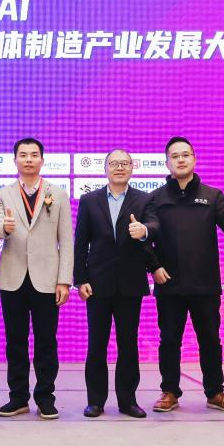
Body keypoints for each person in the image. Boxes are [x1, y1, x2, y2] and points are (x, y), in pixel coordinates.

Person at [142, 136, 224, 415]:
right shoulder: (155, 198)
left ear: (194, 159)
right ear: (167, 163)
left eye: (185, 155)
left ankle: (215, 392)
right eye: (175, 156)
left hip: (205, 284)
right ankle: (169, 391)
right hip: (169, 283)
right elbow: (144, 238)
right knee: (169, 340)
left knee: (210, 340)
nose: (181, 160)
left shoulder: (212, 195)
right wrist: (154, 267)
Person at [0, 137, 72, 419]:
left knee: (46, 341)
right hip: (13, 278)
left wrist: (64, 280)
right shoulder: (2, 194)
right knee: (15, 341)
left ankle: (46, 397)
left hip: (47, 279)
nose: (28, 159)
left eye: (34, 155)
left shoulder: (57, 194)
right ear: (15, 160)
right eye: (23, 155)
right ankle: (18, 398)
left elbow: (66, 240)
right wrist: (4, 228)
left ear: (42, 160)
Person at [73, 149, 157, 418]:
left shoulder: (144, 199)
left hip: (130, 283)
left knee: (128, 344)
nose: (119, 168)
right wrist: (80, 279)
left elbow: (155, 225)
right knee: (96, 344)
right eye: (114, 164)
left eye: (124, 163)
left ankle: (127, 400)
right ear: (106, 168)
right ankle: (95, 400)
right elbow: (80, 243)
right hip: (97, 284)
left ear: (132, 168)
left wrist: (144, 231)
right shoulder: (89, 200)